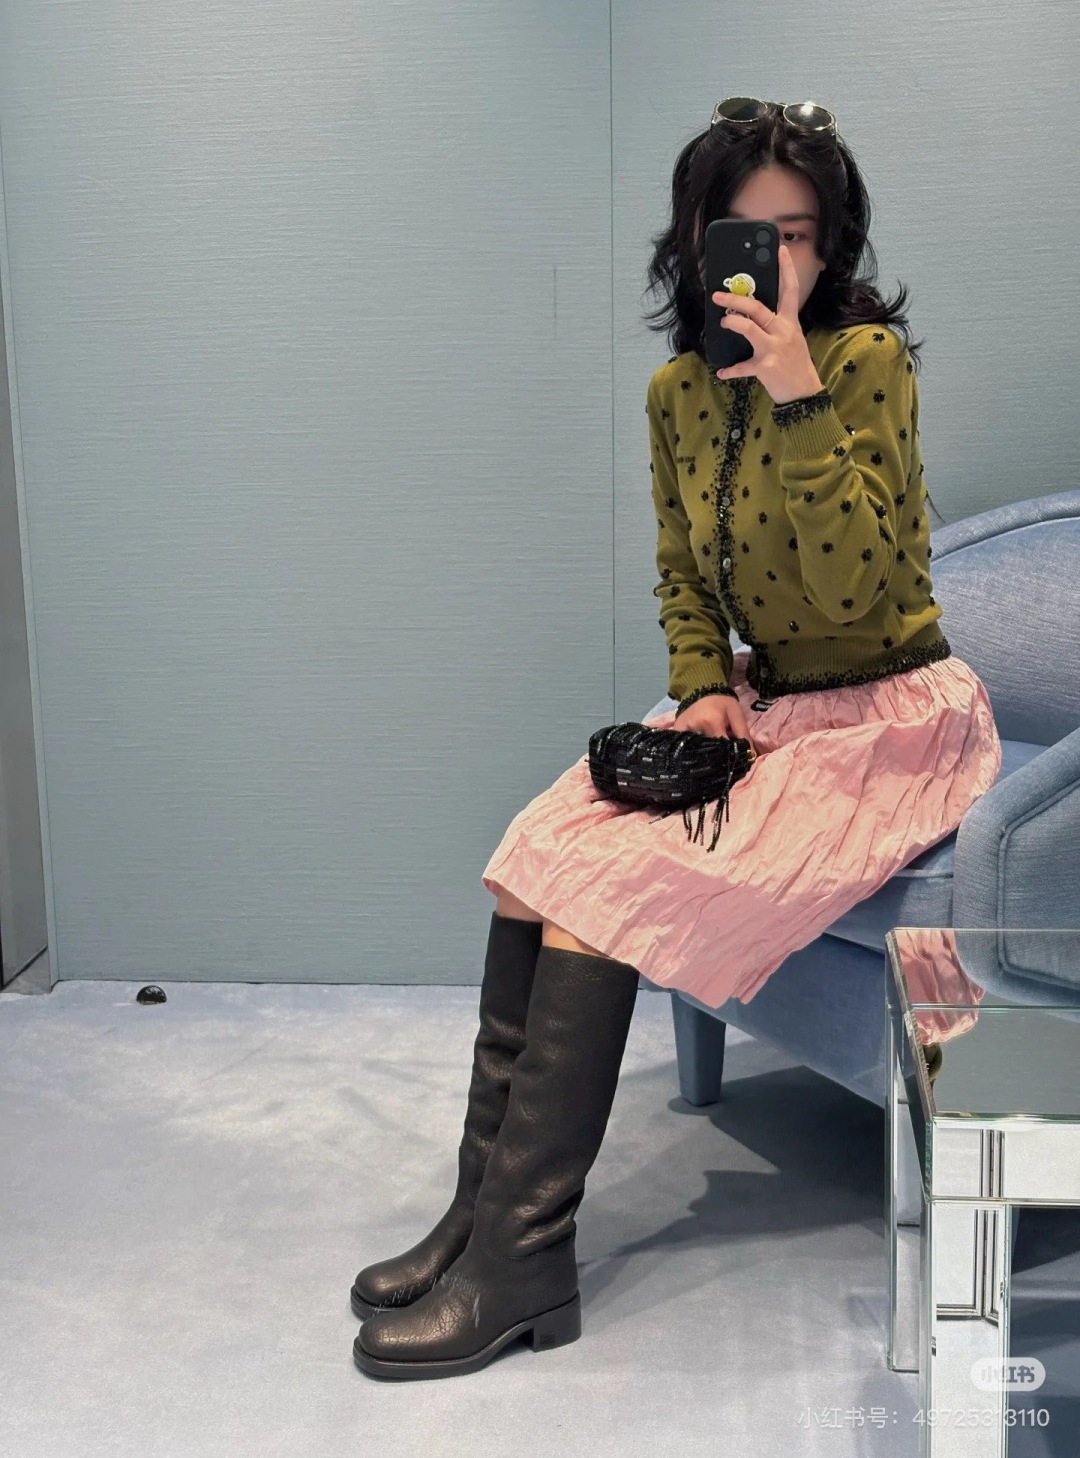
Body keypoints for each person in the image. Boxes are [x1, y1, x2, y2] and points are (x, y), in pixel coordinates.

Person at [351, 98, 1002, 1381]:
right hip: (765, 712)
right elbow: (681, 575)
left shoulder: (865, 363)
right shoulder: (674, 395)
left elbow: (858, 592)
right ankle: (481, 1216)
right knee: (535, 859)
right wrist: (701, 685)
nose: (776, 262)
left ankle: (525, 1261)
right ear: (697, 245)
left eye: (799, 235)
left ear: (831, 244)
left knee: (608, 898)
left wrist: (798, 394)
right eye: (745, 236)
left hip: (893, 717)